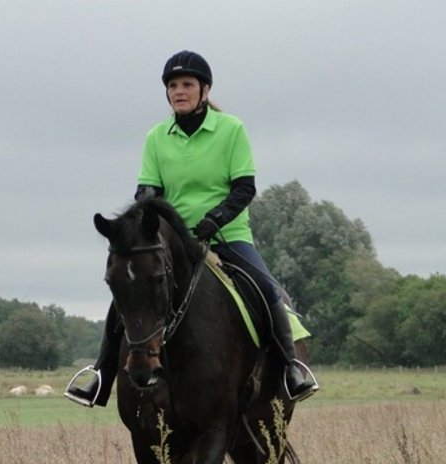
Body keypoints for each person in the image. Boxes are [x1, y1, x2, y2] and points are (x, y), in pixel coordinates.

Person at [66, 50, 318, 408]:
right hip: (172, 241)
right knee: (127, 293)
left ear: (205, 89)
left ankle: (291, 368)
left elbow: (244, 188)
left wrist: (215, 219)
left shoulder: (231, 129)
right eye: (173, 86)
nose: (179, 91)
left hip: (227, 235)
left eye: (187, 84)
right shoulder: (156, 137)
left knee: (266, 289)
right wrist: (148, 216)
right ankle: (101, 376)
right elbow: (147, 191)